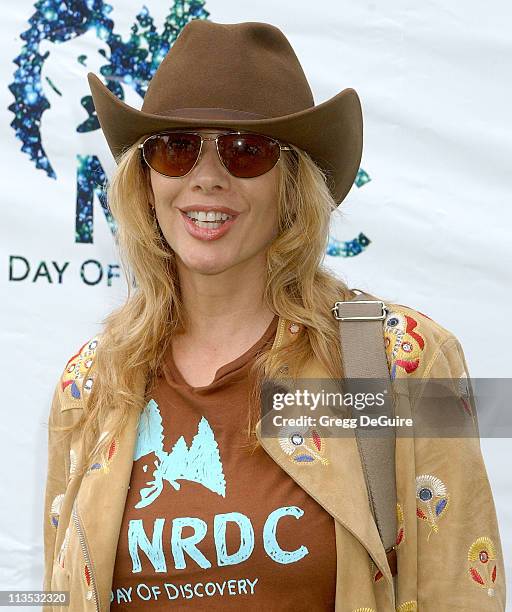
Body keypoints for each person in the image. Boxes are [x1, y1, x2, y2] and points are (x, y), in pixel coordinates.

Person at [42, 19, 505, 612]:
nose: (208, 176)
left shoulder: (403, 361)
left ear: (292, 184)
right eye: (178, 148)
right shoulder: (91, 386)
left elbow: (460, 592)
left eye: (245, 150)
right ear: (145, 178)